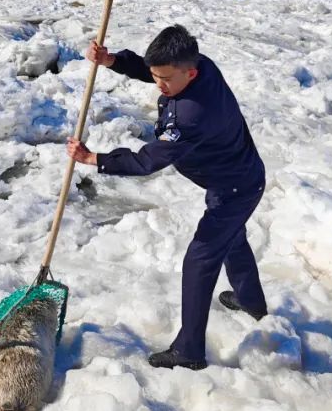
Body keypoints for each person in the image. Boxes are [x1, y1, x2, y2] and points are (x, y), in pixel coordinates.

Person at [66, 24, 266, 371]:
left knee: (200, 260)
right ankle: (251, 302)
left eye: (165, 79)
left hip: (237, 186)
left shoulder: (191, 115)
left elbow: (147, 161)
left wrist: (94, 159)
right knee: (231, 239)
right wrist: (113, 60)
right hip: (234, 177)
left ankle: (189, 351)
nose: (159, 83)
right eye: (156, 75)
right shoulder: (199, 65)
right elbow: (156, 68)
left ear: (190, 72)